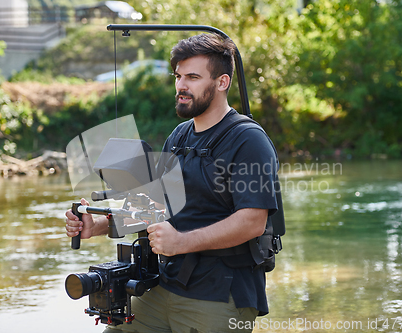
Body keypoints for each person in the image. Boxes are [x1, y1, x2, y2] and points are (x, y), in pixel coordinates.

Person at [65, 33, 280, 333]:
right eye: (178, 76)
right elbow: (156, 206)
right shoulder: (179, 136)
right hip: (166, 283)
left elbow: (253, 222)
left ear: (222, 82)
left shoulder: (248, 140)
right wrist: (99, 225)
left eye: (192, 76)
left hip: (219, 293)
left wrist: (180, 242)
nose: (181, 85)